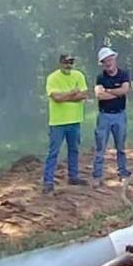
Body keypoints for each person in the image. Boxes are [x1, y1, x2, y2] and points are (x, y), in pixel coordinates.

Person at [42, 52, 90, 193]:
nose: (68, 65)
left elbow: (84, 94)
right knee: (54, 152)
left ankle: (73, 176)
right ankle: (48, 181)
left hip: (75, 120)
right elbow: (56, 97)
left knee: (74, 150)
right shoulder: (53, 78)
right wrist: (72, 94)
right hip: (58, 122)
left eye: (71, 63)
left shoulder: (79, 75)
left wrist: (65, 97)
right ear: (60, 63)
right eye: (66, 62)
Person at [92, 45, 132, 184]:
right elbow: (100, 95)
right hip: (104, 116)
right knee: (100, 147)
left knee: (120, 147)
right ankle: (97, 176)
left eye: (109, 60)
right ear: (102, 64)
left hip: (120, 115)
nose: (108, 63)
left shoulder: (123, 74)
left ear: (114, 59)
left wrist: (108, 90)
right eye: (104, 61)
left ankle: (123, 172)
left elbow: (125, 90)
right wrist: (116, 91)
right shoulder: (100, 77)